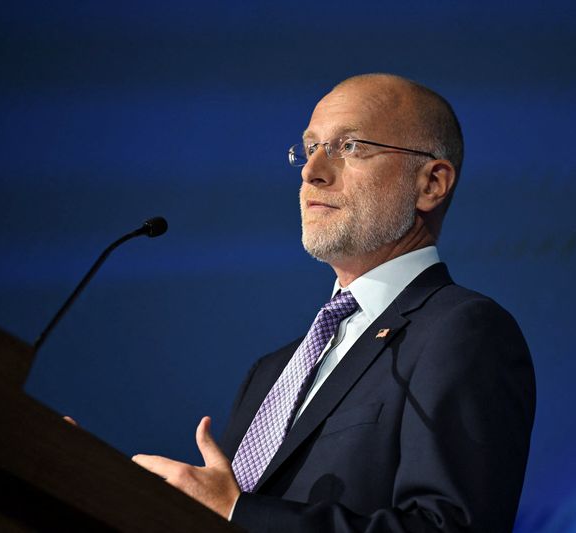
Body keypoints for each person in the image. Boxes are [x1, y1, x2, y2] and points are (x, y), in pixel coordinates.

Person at [133, 73, 536, 532]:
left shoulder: (462, 331)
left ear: (431, 183)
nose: (311, 172)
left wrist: (238, 512)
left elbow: (447, 527)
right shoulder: (270, 371)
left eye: (350, 147)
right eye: (310, 149)